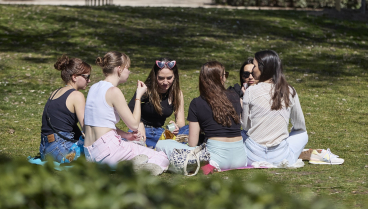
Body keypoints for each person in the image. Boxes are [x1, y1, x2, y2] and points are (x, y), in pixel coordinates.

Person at [83, 51, 169, 175]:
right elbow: (134, 125)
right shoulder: (113, 91)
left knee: (134, 146)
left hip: (91, 154)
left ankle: (129, 165)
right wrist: (139, 96)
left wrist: (126, 136)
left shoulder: (94, 88)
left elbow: (101, 124)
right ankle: (134, 168)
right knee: (162, 158)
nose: (129, 72)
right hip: (109, 151)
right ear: (119, 69)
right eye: (127, 68)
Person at [156, 61, 247, 171]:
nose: (225, 79)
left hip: (215, 160)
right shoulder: (236, 97)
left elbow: (192, 143)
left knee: (162, 144)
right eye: (225, 75)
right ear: (220, 78)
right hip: (241, 159)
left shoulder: (197, 103)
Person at [242, 50, 308, 166]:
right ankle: (288, 157)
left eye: (255, 66)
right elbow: (300, 125)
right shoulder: (289, 90)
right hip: (279, 155)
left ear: (263, 68)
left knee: (240, 133)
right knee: (303, 134)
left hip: (253, 156)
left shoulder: (250, 91)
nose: (252, 70)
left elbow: (246, 127)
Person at [40, 55, 91, 163]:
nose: (89, 80)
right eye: (86, 76)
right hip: (61, 150)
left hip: (45, 150)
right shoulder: (76, 95)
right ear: (74, 77)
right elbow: (86, 128)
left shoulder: (55, 92)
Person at [128, 58, 188, 149]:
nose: (165, 82)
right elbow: (130, 109)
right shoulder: (145, 89)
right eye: (161, 78)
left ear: (174, 76)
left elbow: (181, 122)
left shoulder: (177, 93)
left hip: (160, 132)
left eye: (169, 78)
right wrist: (139, 124)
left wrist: (176, 126)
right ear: (154, 76)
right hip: (141, 131)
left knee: (188, 130)